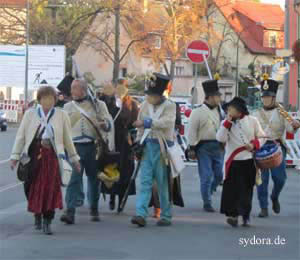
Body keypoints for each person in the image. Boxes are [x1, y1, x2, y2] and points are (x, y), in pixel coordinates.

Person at [10, 86, 81, 235]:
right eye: (44, 98)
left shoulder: (61, 115)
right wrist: (15, 157)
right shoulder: (30, 114)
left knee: (50, 189)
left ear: (55, 100)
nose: (48, 101)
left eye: (51, 98)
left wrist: (75, 159)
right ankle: (37, 213)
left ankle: (48, 220)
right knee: (30, 186)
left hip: (53, 157)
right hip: (33, 156)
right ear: (39, 100)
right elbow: (21, 136)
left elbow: (68, 139)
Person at [61, 79, 112, 224]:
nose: (72, 91)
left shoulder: (98, 105)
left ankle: (94, 208)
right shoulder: (67, 107)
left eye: (75, 88)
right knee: (73, 180)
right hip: (74, 148)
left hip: (93, 147)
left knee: (94, 179)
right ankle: (69, 211)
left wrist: (104, 124)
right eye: (72, 88)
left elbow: (109, 123)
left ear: (83, 90)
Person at [131, 73, 176, 227]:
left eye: (152, 94)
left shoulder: (170, 106)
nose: (149, 97)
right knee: (144, 182)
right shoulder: (144, 105)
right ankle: (141, 213)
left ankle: (166, 215)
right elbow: (139, 127)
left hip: (162, 148)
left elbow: (167, 122)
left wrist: (146, 122)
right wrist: (137, 142)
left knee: (162, 183)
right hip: (146, 146)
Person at [253, 75, 300, 218]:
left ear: (274, 97)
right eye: (264, 97)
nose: (265, 100)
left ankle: (274, 196)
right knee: (262, 180)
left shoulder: (282, 111)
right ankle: (263, 207)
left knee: (280, 178)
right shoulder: (255, 113)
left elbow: (290, 128)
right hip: (261, 147)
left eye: (268, 97)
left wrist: (295, 126)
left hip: (277, 147)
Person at [216, 97, 265, 227]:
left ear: (239, 110)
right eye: (228, 109)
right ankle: (233, 215)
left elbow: (262, 137)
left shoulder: (252, 121)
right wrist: (227, 124)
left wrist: (254, 144)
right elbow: (220, 138)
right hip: (232, 162)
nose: (228, 111)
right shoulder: (226, 123)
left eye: (231, 109)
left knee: (246, 190)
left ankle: (245, 216)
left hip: (248, 161)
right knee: (232, 190)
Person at [100, 79, 139, 212]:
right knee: (111, 169)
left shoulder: (132, 104)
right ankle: (111, 197)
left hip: (125, 142)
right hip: (111, 140)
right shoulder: (107, 102)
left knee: (125, 172)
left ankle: (121, 200)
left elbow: (133, 122)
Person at [187, 76, 224, 212]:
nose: (219, 99)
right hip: (203, 147)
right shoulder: (197, 112)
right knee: (206, 175)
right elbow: (191, 131)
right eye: (217, 96)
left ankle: (210, 190)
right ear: (210, 97)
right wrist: (191, 148)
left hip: (218, 146)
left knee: (219, 175)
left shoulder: (220, 112)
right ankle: (207, 202)